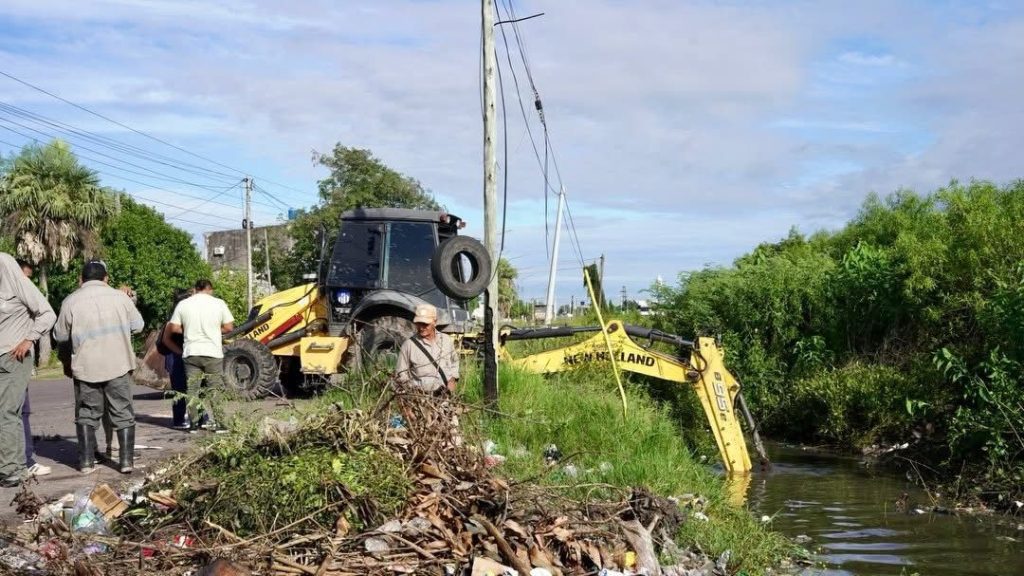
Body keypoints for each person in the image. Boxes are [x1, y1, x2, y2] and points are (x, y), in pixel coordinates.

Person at [53, 260, 144, 474]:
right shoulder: (121, 298)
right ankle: (126, 462)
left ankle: (86, 463)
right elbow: (138, 326)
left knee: (87, 413)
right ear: (106, 278)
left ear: (81, 279)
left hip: (86, 367)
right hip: (118, 365)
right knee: (122, 412)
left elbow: (60, 336)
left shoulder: (70, 301)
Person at [0, 253, 56, 487]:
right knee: (8, 414)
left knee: (7, 413)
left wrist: (29, 339)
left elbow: (48, 314)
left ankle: (10, 470)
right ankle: (14, 466)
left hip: (14, 356)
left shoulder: (14, 278)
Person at [162, 279, 234, 432]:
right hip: (212, 352)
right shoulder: (219, 303)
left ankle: (194, 424)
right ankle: (220, 424)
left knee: (192, 389)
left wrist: (189, 329)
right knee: (214, 389)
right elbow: (229, 327)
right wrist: (213, 330)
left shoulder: (183, 304)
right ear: (210, 289)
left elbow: (173, 328)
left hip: (191, 352)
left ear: (195, 289)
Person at [14, 259, 51, 478]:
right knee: (19, 412)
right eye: (25, 277)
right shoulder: (14, 297)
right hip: (13, 360)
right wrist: (28, 340)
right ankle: (26, 461)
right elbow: (47, 315)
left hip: (17, 360)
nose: (27, 282)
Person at [394, 304, 460, 394]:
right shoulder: (409, 345)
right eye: (418, 323)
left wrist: (452, 379)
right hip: (420, 398)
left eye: (425, 324)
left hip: (445, 397)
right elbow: (400, 375)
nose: (421, 328)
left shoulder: (446, 340)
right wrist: (408, 396)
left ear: (435, 322)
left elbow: (455, 362)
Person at [159, 288, 193, 430]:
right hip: (175, 357)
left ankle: (200, 417)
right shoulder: (173, 321)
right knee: (180, 389)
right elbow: (166, 340)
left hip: (183, 356)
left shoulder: (186, 317)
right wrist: (180, 352)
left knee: (194, 387)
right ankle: (179, 420)